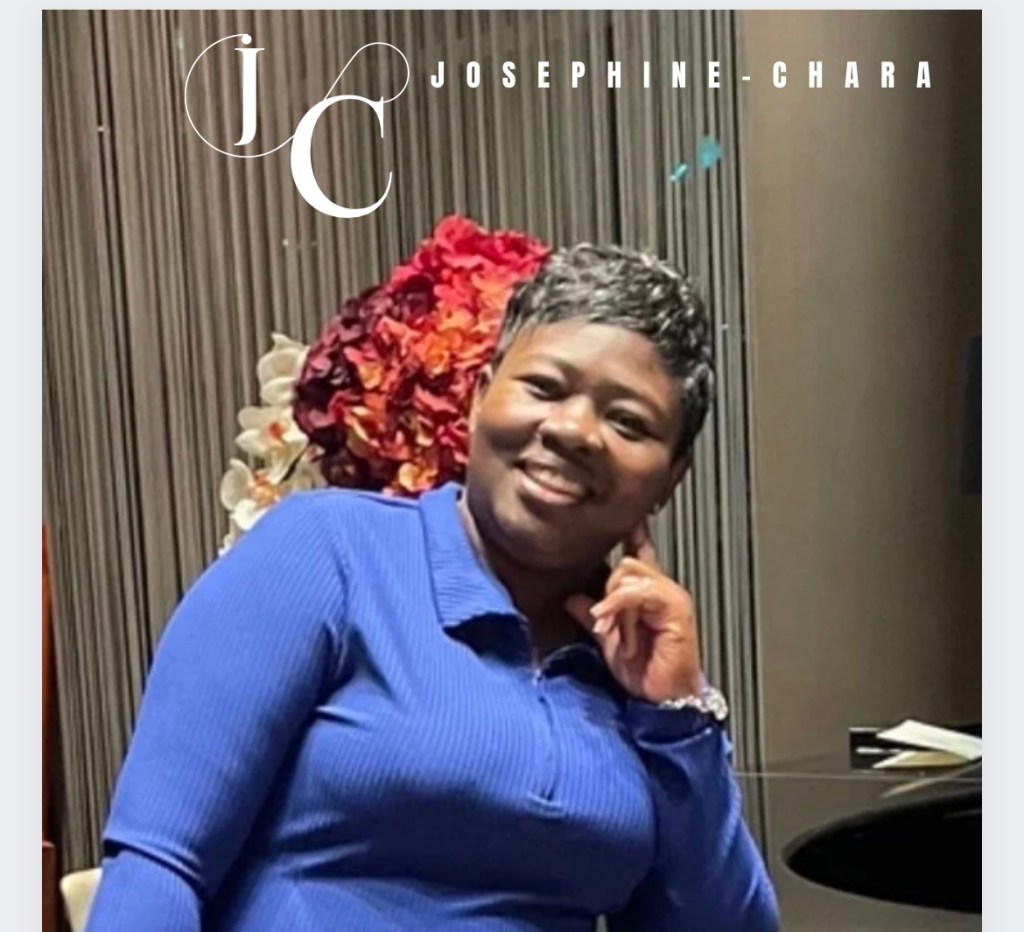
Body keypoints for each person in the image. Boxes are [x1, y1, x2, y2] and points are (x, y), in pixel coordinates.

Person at [85, 244, 780, 931]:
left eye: (627, 422)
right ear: (479, 399)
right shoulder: (329, 553)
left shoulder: (638, 666)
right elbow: (158, 864)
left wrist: (679, 721)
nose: (573, 430)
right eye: (544, 388)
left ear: (671, 478)